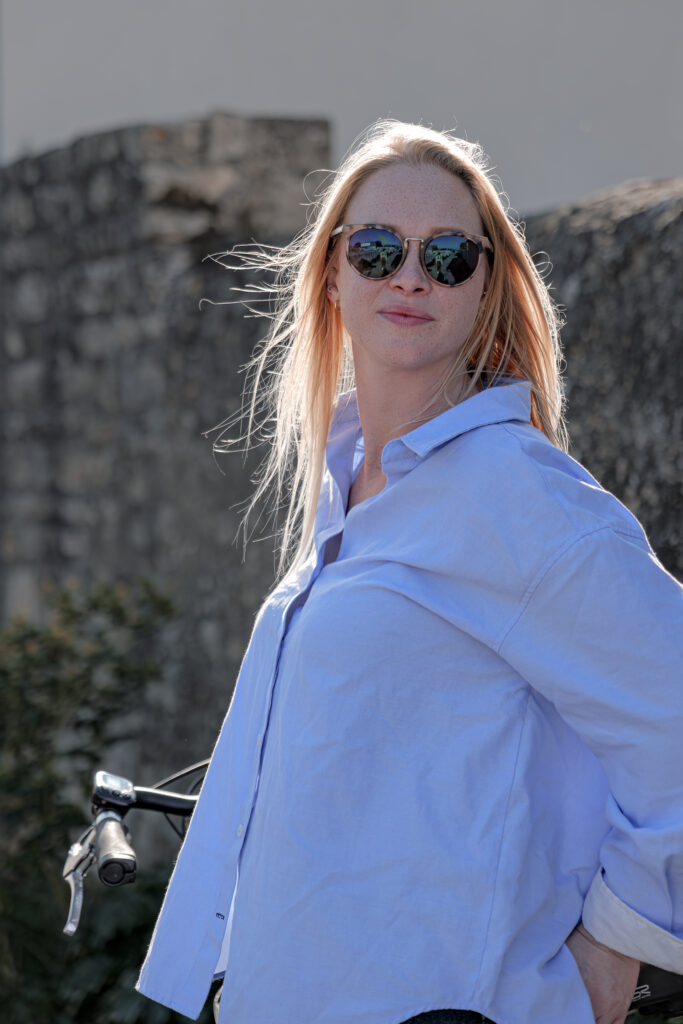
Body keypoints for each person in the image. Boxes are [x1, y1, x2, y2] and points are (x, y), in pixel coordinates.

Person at [136, 120, 683, 1024]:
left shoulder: (517, 494)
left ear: (486, 287)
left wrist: (619, 941)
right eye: (379, 247)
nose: (410, 275)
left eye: (449, 256)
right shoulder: (350, 487)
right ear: (332, 272)